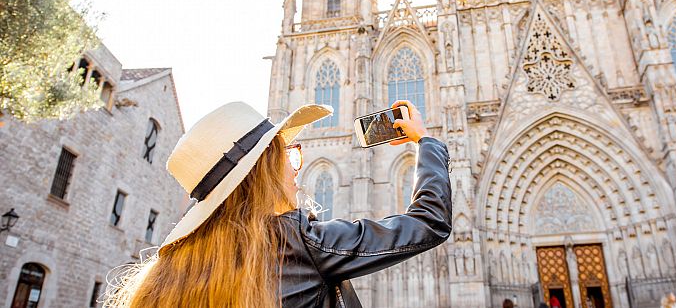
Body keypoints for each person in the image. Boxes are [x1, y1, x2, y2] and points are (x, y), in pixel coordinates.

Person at [105, 99, 451, 307]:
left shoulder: (169, 275)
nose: (296, 167)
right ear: (265, 170)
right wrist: (426, 142)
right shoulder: (296, 241)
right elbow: (428, 223)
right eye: (288, 154)